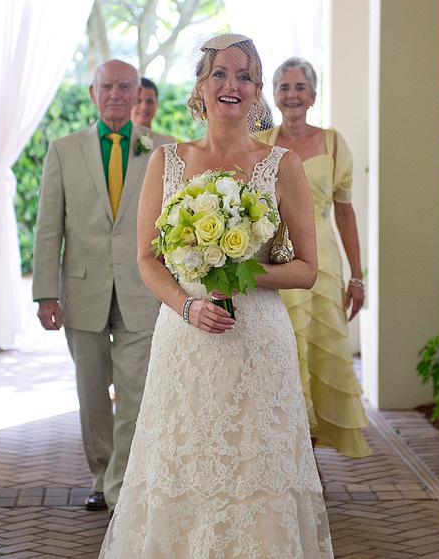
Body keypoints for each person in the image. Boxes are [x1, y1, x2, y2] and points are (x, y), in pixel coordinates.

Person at [99, 35, 334, 558]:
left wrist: (240, 269)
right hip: (187, 340)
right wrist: (188, 305)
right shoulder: (168, 161)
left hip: (259, 344)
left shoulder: (283, 166)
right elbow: (147, 259)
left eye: (245, 75)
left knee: (258, 469)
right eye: (220, 74)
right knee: (183, 462)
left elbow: (307, 270)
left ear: (256, 93)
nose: (233, 84)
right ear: (201, 88)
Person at [32, 59, 175, 512]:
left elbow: (176, 225)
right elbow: (48, 227)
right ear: (93, 93)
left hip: (144, 293)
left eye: (125, 87)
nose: (116, 93)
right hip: (82, 293)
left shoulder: (165, 150)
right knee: (93, 396)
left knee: (135, 395)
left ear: (139, 95)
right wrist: (45, 293)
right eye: (107, 86)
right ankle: (102, 473)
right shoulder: (63, 150)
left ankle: (123, 490)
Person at [258, 57, 371, 458]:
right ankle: (281, 452)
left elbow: (345, 211)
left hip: (322, 261)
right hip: (275, 256)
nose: (292, 95)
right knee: (281, 350)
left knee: (318, 352)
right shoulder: (262, 144)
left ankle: (308, 457)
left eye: (299, 87)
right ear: (274, 96)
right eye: (284, 88)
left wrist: (357, 277)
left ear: (313, 95)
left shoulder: (334, 143)